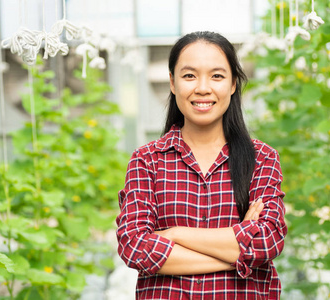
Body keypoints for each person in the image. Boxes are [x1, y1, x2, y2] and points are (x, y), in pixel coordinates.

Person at [116, 31, 287, 299]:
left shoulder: (262, 158)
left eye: (217, 76)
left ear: (233, 84)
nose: (203, 88)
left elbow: (267, 241)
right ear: (173, 83)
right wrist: (238, 254)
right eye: (189, 76)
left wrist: (174, 234)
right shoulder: (147, 160)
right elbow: (135, 247)